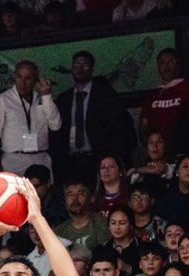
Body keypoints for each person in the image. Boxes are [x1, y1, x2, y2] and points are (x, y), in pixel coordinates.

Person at [52, 50, 136, 179]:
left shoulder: (105, 94)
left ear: (91, 69)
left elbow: (121, 126)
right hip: (72, 161)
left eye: (85, 64)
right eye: (76, 64)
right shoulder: (64, 98)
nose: (80, 68)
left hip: (99, 159)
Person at [0, 59, 60, 176]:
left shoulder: (43, 99)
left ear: (36, 80)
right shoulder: (3, 100)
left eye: (28, 78)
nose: (22, 82)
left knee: (42, 194)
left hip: (41, 158)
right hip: (13, 161)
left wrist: (47, 96)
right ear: (14, 77)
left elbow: (55, 126)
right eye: (19, 77)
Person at [138, 48, 187, 149]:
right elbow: (143, 127)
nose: (166, 67)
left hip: (183, 149)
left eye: (171, 62)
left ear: (178, 64)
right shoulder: (152, 96)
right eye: (162, 63)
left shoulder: (187, 89)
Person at [53, 180, 110, 250]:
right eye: (70, 194)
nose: (75, 199)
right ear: (65, 201)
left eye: (80, 193)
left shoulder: (102, 223)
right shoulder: (59, 232)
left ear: (91, 198)